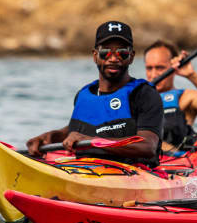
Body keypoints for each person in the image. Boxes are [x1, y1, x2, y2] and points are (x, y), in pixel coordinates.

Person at [26, 21, 163, 165]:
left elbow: (148, 146)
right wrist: (50, 137)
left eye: (122, 53)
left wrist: (92, 141)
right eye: (105, 52)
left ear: (132, 56)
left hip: (134, 172)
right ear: (95, 55)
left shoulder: (145, 94)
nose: (113, 58)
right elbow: (80, 130)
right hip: (86, 169)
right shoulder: (84, 95)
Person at [143, 40, 197, 151]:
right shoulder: (137, 99)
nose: (153, 74)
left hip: (180, 163)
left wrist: (192, 75)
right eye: (149, 68)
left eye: (160, 68)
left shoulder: (186, 97)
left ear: (173, 67)